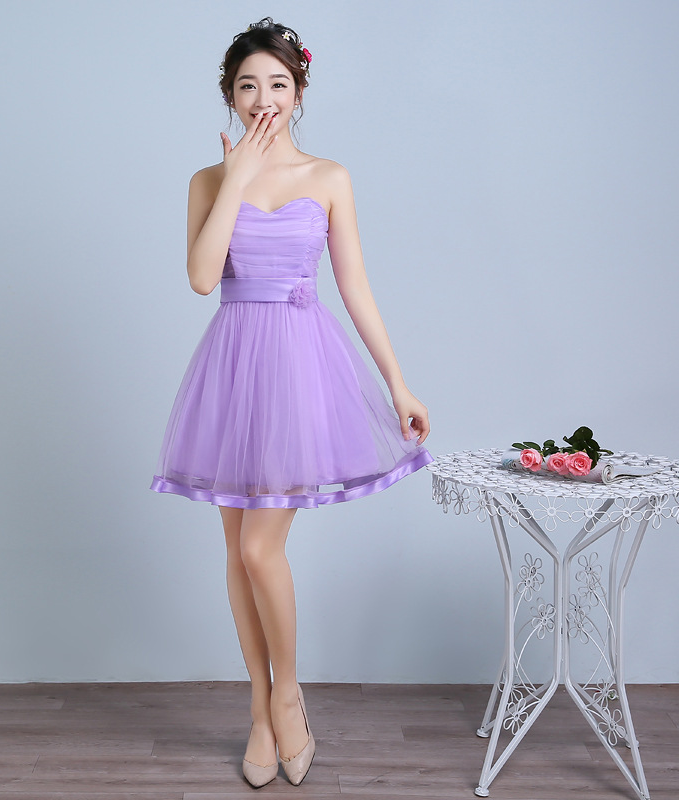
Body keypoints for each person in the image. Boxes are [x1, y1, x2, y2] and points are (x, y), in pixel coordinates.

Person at [150, 18, 433, 788]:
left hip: (299, 367)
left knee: (258, 549)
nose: (263, 97)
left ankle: (288, 696)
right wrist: (236, 177)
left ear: (299, 91)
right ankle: (257, 709)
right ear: (230, 95)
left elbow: (356, 288)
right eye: (248, 85)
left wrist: (398, 382)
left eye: (277, 83)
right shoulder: (206, 182)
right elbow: (202, 279)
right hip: (231, 368)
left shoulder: (329, 177)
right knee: (235, 553)